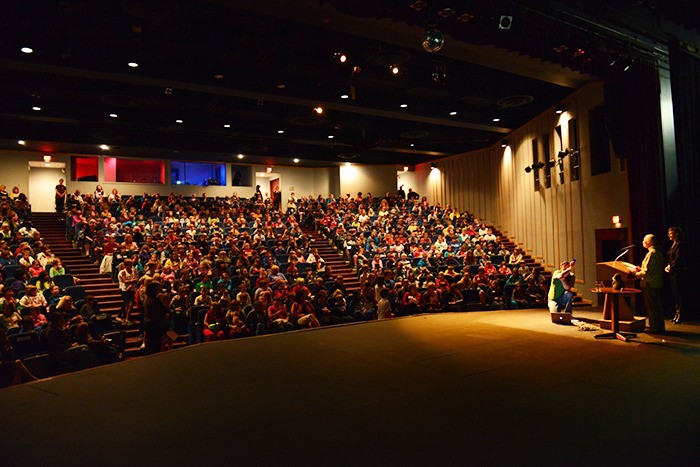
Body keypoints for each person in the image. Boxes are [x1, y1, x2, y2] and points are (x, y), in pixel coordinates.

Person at [634, 234, 665, 333]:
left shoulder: (652, 253)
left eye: (644, 240)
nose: (642, 242)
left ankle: (654, 328)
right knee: (656, 306)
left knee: (651, 306)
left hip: (650, 283)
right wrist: (641, 269)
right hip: (655, 282)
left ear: (649, 242)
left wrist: (635, 274)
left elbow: (647, 272)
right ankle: (659, 327)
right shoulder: (657, 253)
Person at [665, 226, 687, 324]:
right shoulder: (673, 244)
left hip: (679, 272)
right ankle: (677, 314)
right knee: (675, 293)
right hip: (673, 272)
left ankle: (680, 315)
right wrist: (668, 266)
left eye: (671, 233)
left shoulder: (680, 244)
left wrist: (671, 267)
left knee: (679, 294)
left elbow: (678, 258)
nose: (669, 235)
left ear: (677, 234)